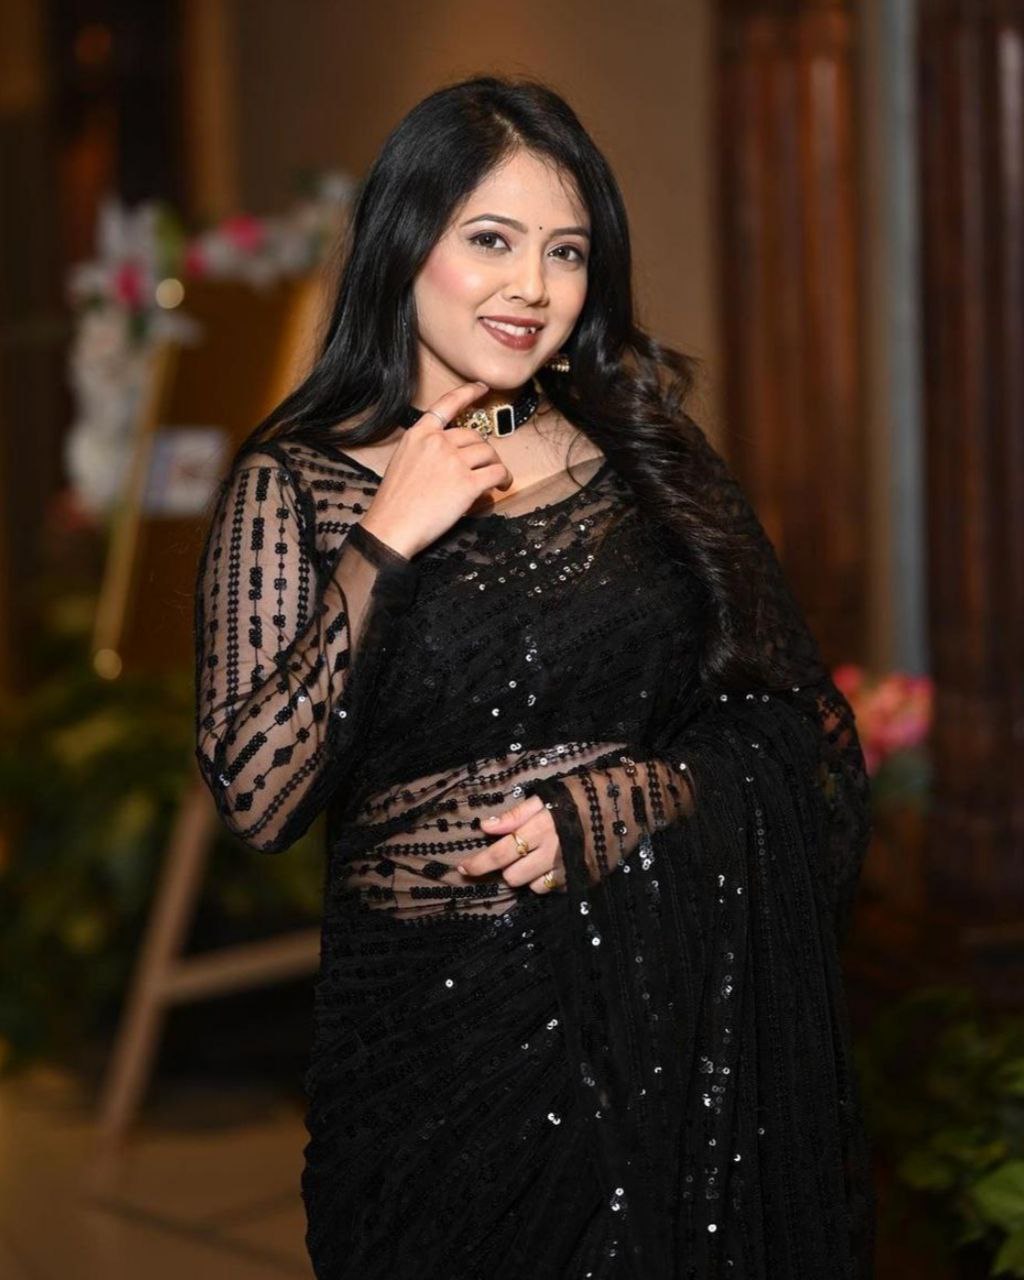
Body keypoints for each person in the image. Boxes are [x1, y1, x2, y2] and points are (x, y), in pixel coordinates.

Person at [193, 75, 875, 1279]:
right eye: (491, 240)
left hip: (659, 1031)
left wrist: (644, 795)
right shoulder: (293, 484)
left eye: (566, 251)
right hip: (429, 1051)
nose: (533, 287)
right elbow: (256, 795)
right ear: (405, 242)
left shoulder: (647, 456)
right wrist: (384, 539)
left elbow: (791, 725)